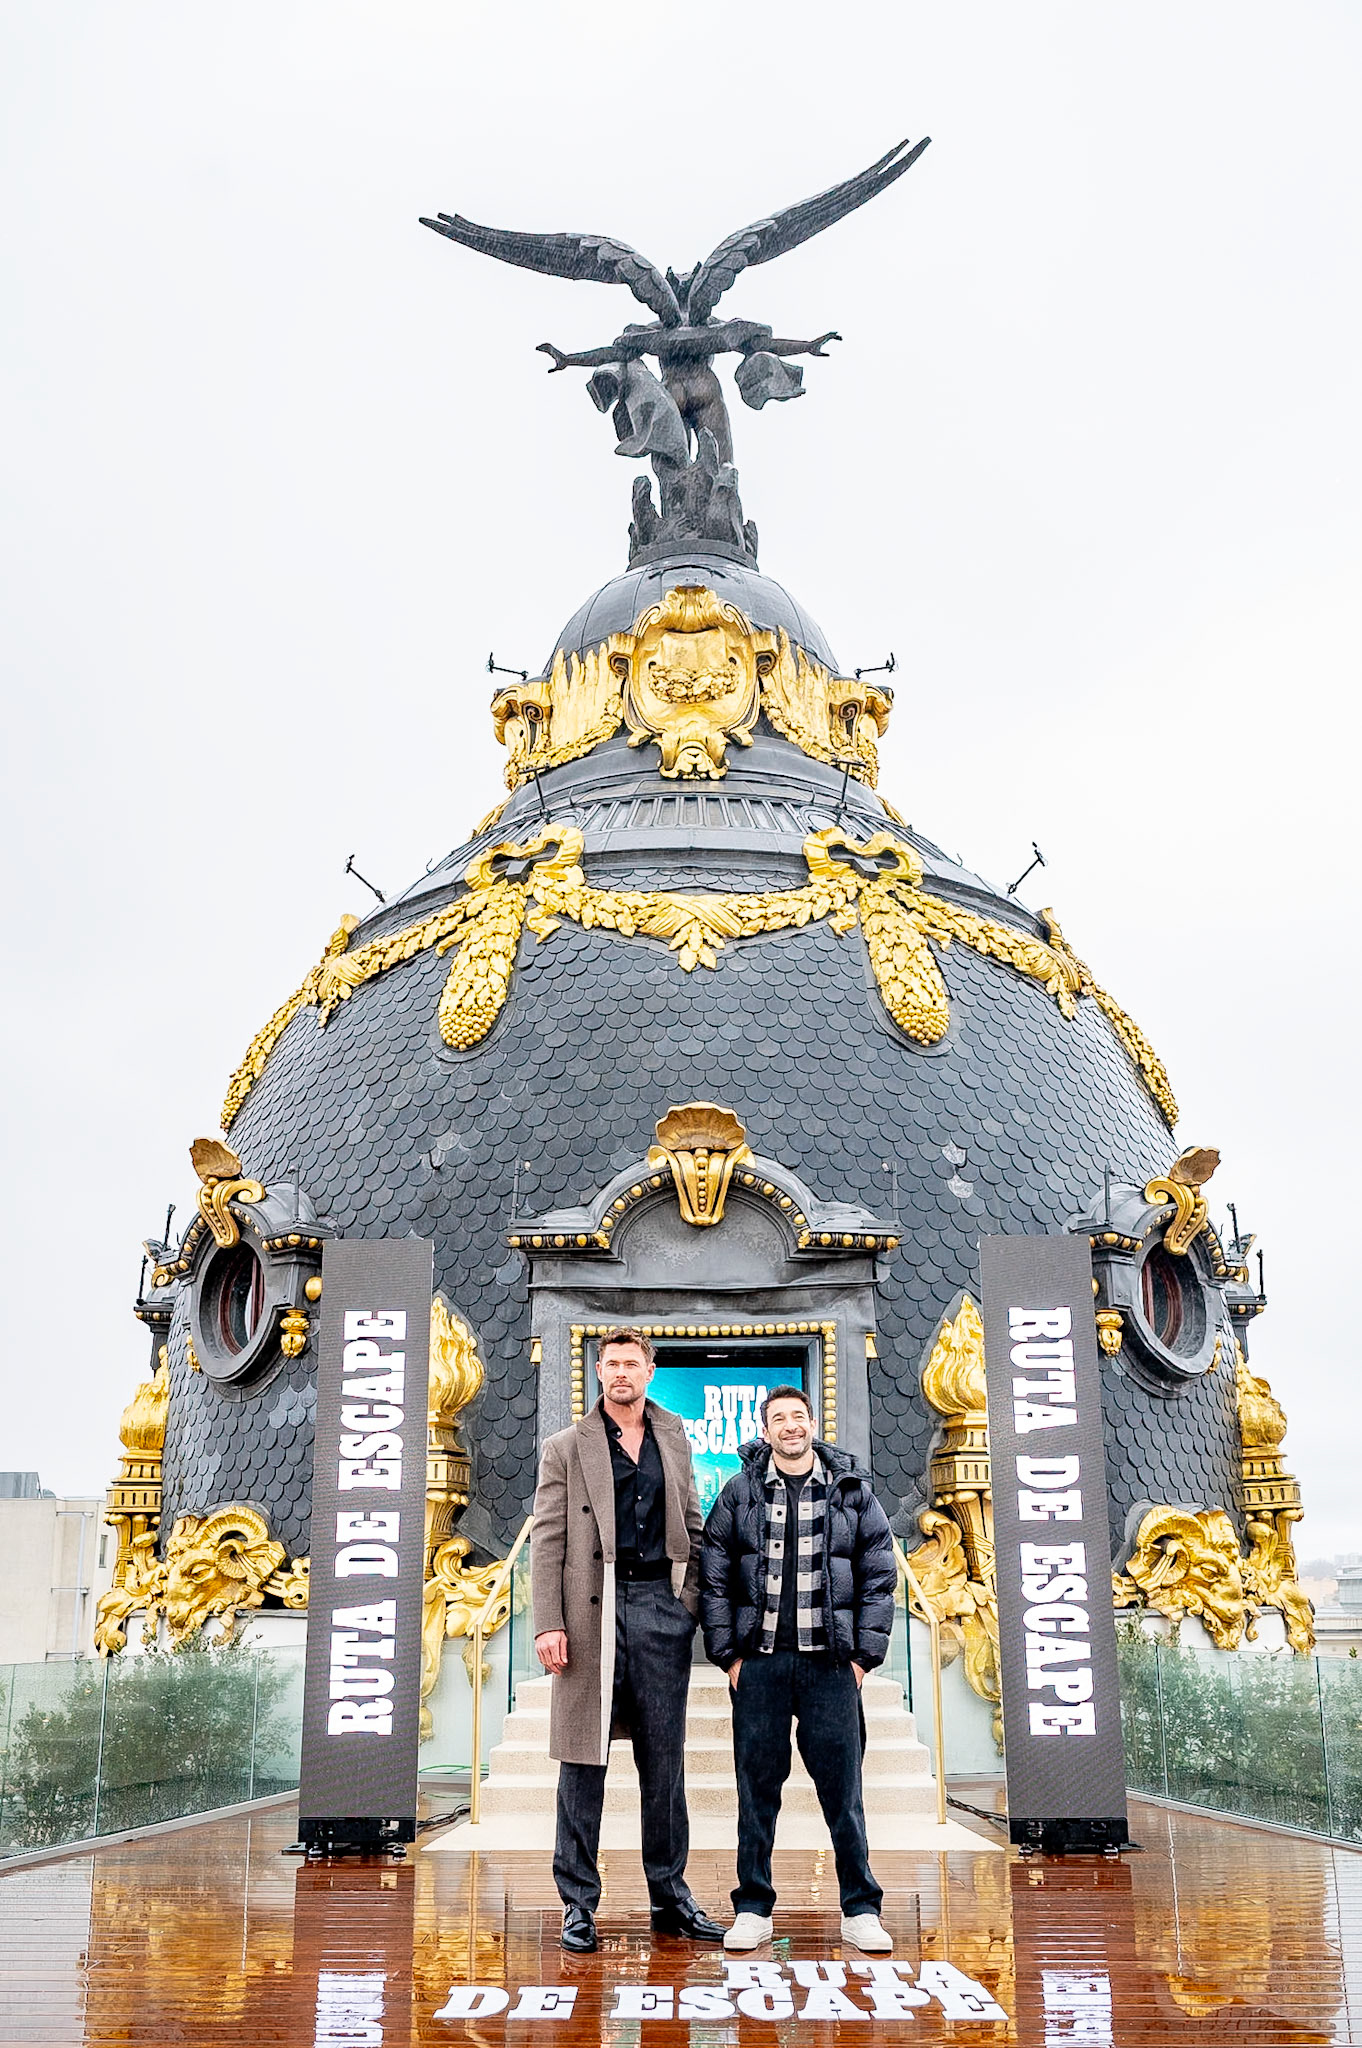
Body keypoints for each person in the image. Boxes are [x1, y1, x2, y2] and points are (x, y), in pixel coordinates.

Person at [532, 1327, 724, 1953]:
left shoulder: (674, 1435)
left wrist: (688, 1603)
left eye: (631, 1364)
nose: (620, 1373)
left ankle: (670, 1896)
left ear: (649, 1370)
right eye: (610, 1364)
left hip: (659, 1609)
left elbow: (692, 1524)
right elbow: (549, 1541)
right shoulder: (565, 1446)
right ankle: (578, 1904)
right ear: (598, 1372)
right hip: (592, 1610)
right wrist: (548, 1622)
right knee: (582, 1763)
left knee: (664, 1764)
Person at [699, 1383, 898, 1954]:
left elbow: (879, 1574)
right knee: (756, 1790)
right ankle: (753, 1908)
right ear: (765, 1431)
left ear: (813, 1424)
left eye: (798, 1416)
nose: (790, 1426)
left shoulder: (852, 1492)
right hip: (758, 1667)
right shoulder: (740, 1493)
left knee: (844, 1792)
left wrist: (863, 1658)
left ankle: (860, 1909)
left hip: (831, 1667)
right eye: (779, 1419)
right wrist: (728, 1656)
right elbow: (714, 1575)